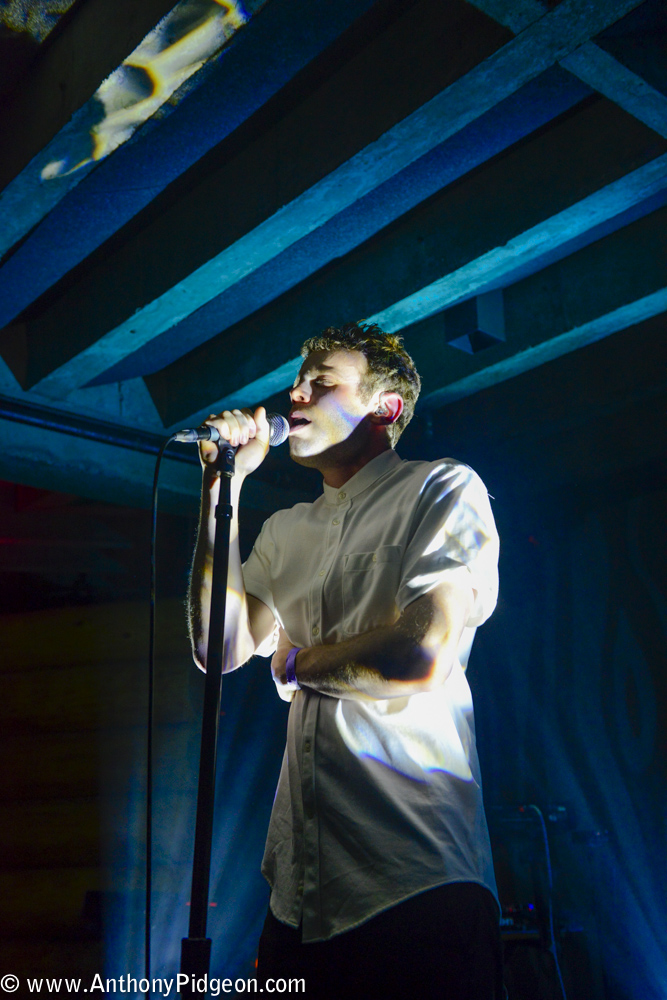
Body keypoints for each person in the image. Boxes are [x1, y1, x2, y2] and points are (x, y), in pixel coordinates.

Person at [188, 322, 503, 999]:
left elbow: (420, 655)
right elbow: (217, 649)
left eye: (319, 382)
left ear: (384, 409)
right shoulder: (285, 530)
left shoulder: (440, 490)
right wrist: (223, 489)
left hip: (413, 879)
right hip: (298, 894)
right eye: (295, 381)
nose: (293, 394)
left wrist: (297, 665)